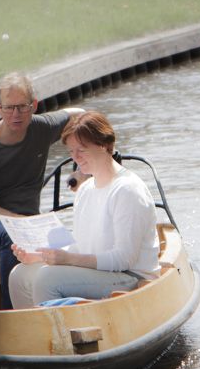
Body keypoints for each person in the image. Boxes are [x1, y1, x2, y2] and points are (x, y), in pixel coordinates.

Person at [8, 111, 160, 309]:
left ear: (105, 145)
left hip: (131, 277)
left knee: (47, 278)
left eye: (82, 149)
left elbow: (124, 259)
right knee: (20, 275)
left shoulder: (127, 190)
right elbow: (80, 246)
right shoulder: (85, 189)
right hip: (98, 272)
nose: (76, 157)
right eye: (71, 151)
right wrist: (39, 255)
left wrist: (69, 259)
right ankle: (30, 335)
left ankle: (53, 336)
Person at [0, 72, 83, 309]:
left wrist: (81, 166)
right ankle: (14, 315)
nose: (15, 115)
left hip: (29, 225)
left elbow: (81, 115)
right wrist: (21, 223)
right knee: (12, 237)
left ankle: (67, 307)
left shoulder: (42, 127)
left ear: (34, 106)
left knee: (70, 239)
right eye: (9, 108)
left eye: (22, 107)